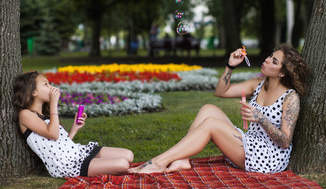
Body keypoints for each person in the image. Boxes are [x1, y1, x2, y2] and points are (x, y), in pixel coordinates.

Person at [130, 43, 310, 174]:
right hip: (250, 143)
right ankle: (182, 159)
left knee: (211, 124)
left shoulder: (290, 98)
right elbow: (221, 92)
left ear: (282, 72)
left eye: (274, 61)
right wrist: (230, 65)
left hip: (267, 157)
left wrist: (260, 118)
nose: (267, 60)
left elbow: (285, 141)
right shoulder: (258, 84)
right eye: (270, 56)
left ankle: (159, 162)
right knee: (209, 109)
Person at [13, 71, 134, 178]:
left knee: (128, 155)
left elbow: (60, 144)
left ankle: (100, 163)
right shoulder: (26, 115)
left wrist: (74, 129)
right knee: (123, 164)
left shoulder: (45, 116)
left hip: (75, 152)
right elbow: (53, 135)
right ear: (33, 91)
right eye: (46, 84)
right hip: (67, 165)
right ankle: (103, 165)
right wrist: (54, 104)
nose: (51, 87)